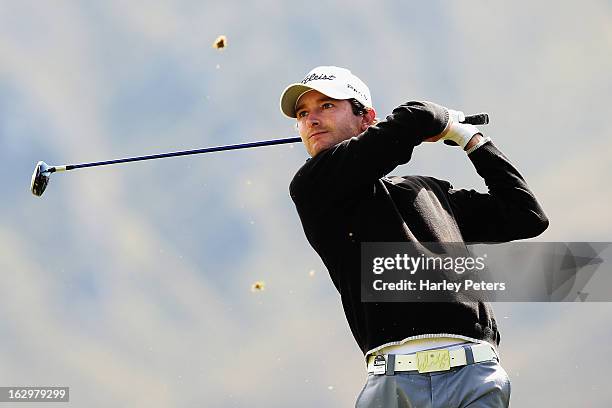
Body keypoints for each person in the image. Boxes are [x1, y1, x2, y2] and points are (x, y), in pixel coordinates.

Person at [280, 66, 548, 408]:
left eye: (326, 106)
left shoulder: (429, 192)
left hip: (473, 375)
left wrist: (471, 141)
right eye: (303, 114)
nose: (311, 120)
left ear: (366, 119)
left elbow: (526, 216)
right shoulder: (312, 187)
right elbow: (420, 115)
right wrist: (447, 122)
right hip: (393, 386)